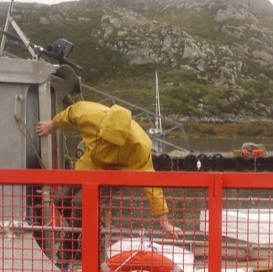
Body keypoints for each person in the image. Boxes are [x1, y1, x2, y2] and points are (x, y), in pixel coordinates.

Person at [36, 101, 179, 261]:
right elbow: (71, 113)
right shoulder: (88, 114)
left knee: (80, 202)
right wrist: (53, 124)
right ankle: (93, 232)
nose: (108, 145)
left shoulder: (139, 145)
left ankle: (69, 248)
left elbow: (149, 180)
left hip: (114, 175)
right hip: (88, 166)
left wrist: (164, 221)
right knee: (60, 198)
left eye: (113, 144)